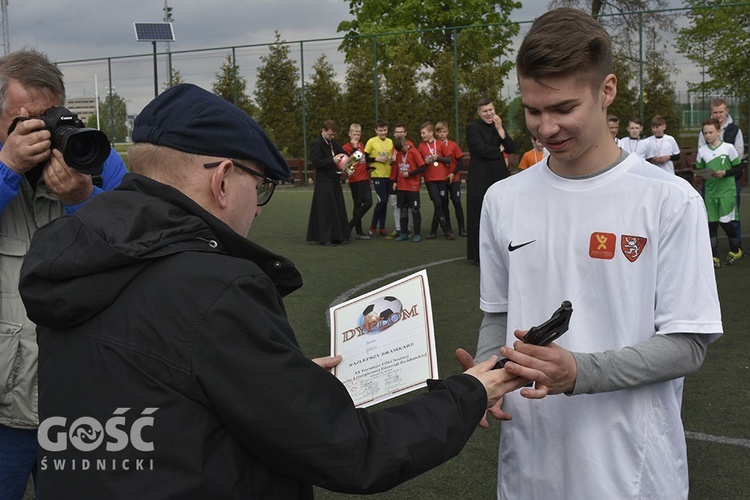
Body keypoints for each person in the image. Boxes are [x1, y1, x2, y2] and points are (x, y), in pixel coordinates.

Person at [18, 83, 526, 499]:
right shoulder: (215, 286)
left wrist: (269, 378)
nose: (258, 207)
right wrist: (469, 394)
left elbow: (151, 389)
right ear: (222, 179)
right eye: (259, 184)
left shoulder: (74, 256)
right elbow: (351, 452)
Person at [471, 9, 722, 499]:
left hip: (631, 473)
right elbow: (497, 313)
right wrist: (484, 374)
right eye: (532, 110)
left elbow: (689, 344)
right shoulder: (503, 198)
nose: (545, 128)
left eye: (563, 108)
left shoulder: (669, 199)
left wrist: (580, 372)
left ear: (606, 90)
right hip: (530, 467)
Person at [0, 49, 127, 500]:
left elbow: (141, 237)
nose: (44, 131)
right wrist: (8, 168)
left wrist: (84, 198)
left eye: (49, 115)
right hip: (3, 409)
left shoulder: (91, 154)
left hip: (80, 405)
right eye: (26, 120)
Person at [465, 97, 517, 263]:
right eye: (485, 111)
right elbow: (480, 150)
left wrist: (501, 130)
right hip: (479, 177)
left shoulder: (498, 127)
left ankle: (501, 252)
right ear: (479, 113)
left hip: (499, 176)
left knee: (500, 213)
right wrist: (498, 150)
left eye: (491, 110)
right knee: (480, 214)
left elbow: (512, 148)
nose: (489, 113)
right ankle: (479, 256)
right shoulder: (472, 128)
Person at [698, 98, 745, 252]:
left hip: (729, 185)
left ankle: (736, 247)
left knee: (729, 219)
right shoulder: (703, 147)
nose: (718, 114)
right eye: (715, 112)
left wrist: (725, 172)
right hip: (711, 188)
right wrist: (702, 174)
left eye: (720, 111)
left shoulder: (734, 132)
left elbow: (738, 161)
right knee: (711, 223)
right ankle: (713, 254)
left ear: (726, 111)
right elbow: (701, 164)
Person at [306, 120, 350, 246]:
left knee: (337, 208)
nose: (332, 137)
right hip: (323, 181)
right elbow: (316, 162)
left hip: (334, 179)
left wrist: (348, 159)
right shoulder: (316, 144)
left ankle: (338, 235)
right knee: (326, 210)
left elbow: (343, 153)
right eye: (330, 134)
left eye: (333, 135)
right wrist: (332, 160)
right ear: (323, 131)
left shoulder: (332, 143)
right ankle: (325, 238)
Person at [418, 122, 454, 240]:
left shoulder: (440, 144)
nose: (422, 135)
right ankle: (446, 230)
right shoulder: (421, 146)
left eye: (424, 133)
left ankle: (433, 231)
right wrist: (425, 161)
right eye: (421, 133)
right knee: (437, 203)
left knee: (441, 203)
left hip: (441, 179)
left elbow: (449, 160)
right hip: (430, 180)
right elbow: (419, 162)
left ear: (430, 133)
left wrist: (438, 157)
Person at [391, 135, 426, 243]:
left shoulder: (414, 152)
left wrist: (410, 174)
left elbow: (423, 167)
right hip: (401, 186)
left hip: (413, 186)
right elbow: (397, 168)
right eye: (401, 149)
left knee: (415, 210)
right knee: (403, 209)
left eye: (404, 147)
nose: (403, 149)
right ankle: (404, 233)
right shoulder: (399, 153)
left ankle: (417, 234)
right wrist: (395, 182)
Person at [341, 123, 372, 240]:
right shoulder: (346, 147)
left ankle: (350, 226)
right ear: (349, 134)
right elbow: (349, 163)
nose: (356, 136)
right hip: (355, 179)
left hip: (364, 178)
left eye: (358, 134)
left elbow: (363, 161)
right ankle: (357, 231)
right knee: (357, 204)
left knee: (369, 202)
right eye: (354, 134)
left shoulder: (362, 145)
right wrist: (354, 148)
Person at [436, 121, 466, 236]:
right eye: (439, 132)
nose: (442, 134)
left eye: (444, 132)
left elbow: (460, 161)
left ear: (447, 132)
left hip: (454, 178)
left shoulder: (453, 145)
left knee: (457, 202)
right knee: (444, 203)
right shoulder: (435, 146)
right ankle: (448, 229)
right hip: (441, 179)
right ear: (436, 133)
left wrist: (453, 173)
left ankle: (462, 228)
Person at [365, 120, 393, 237]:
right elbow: (365, 158)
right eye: (380, 130)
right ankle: (372, 227)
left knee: (385, 202)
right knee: (382, 200)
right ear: (376, 130)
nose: (383, 132)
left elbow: (392, 157)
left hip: (388, 175)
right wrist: (377, 159)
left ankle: (382, 227)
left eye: (385, 130)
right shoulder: (371, 141)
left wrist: (391, 161)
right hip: (377, 175)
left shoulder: (390, 142)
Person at [389, 123, 414, 238]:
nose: (399, 134)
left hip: (405, 179)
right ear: (394, 134)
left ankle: (407, 228)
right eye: (397, 132)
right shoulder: (391, 145)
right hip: (393, 178)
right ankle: (399, 228)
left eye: (401, 132)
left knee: (406, 204)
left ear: (405, 133)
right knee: (395, 203)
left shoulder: (409, 145)